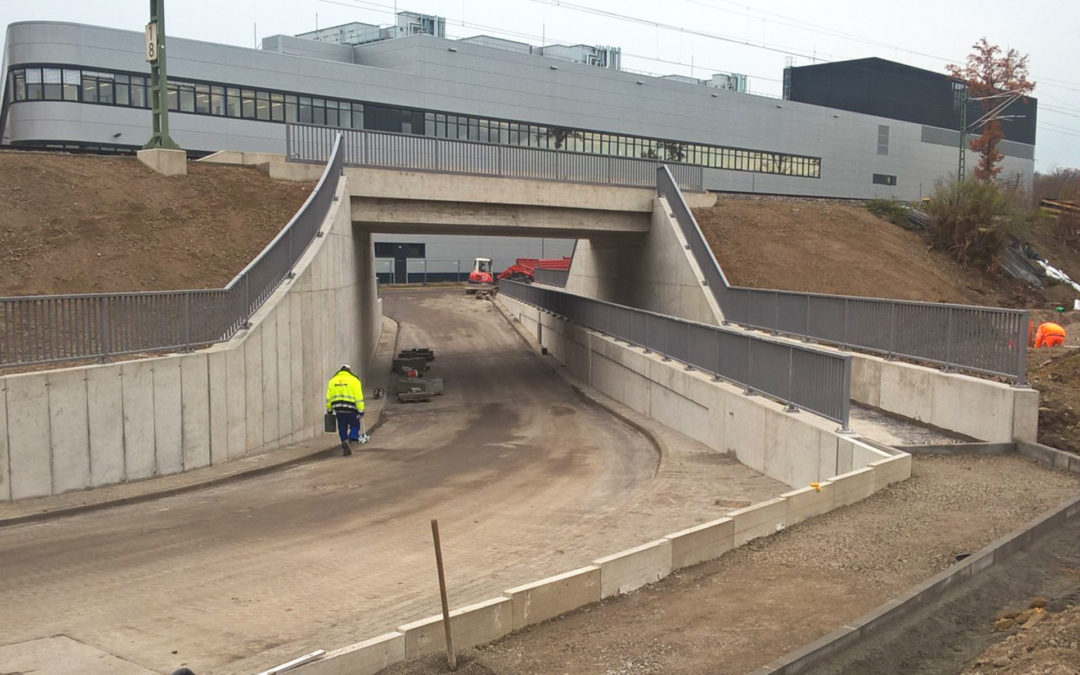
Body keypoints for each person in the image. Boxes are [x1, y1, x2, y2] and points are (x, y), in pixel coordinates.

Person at [326, 363, 367, 455]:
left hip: (338, 409)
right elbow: (358, 397)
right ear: (350, 370)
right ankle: (353, 436)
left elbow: (328, 397)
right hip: (351, 408)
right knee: (355, 424)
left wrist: (329, 410)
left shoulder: (332, 380)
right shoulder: (355, 380)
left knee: (342, 427)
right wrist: (361, 410)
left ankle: (344, 441)